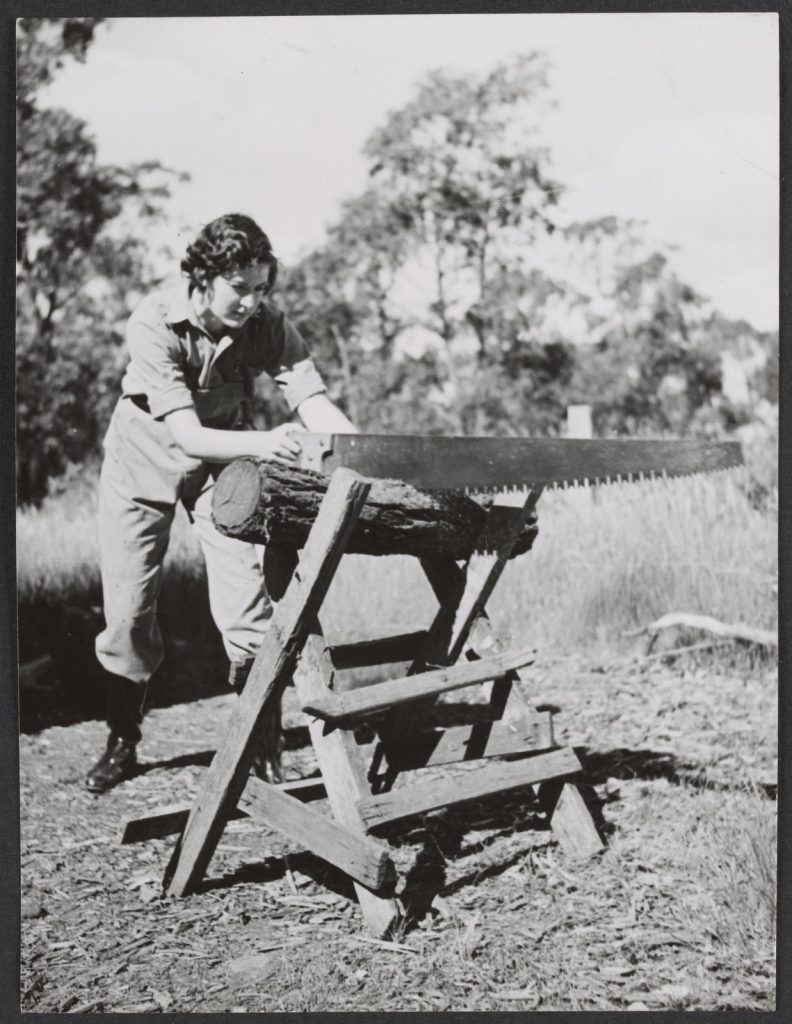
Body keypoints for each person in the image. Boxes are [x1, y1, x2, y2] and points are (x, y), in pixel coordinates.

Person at [87, 213, 356, 793]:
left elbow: (312, 401)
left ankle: (261, 740)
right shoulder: (154, 321)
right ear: (203, 277)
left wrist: (362, 451)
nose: (252, 301)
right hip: (143, 456)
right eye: (240, 287)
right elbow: (186, 435)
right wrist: (267, 443)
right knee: (128, 612)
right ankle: (122, 739)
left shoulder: (266, 323)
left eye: (262, 287)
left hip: (224, 462)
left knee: (249, 604)